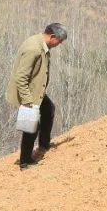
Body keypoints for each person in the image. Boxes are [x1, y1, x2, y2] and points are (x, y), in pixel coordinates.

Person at [5, 23, 67, 169]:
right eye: (59, 40)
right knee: (31, 124)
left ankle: (44, 145)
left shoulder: (42, 45)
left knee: (48, 109)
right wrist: (27, 100)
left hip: (36, 91)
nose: (60, 44)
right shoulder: (33, 49)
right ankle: (25, 161)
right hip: (28, 92)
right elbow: (21, 77)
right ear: (52, 36)